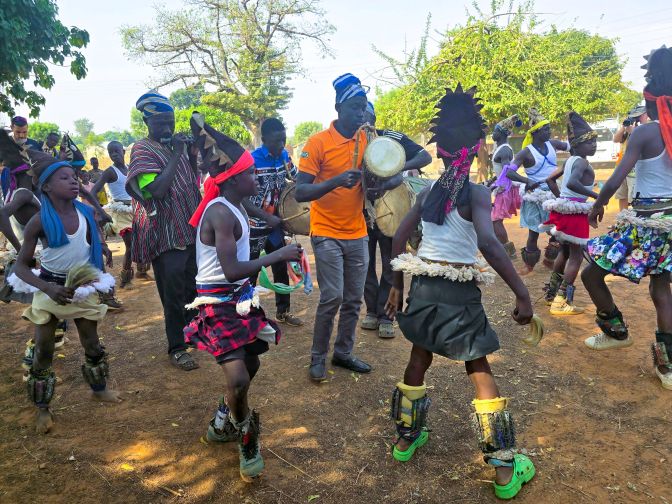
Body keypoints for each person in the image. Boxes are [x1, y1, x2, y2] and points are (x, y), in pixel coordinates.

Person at [384, 84, 535, 499]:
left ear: (442, 150)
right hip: (458, 291)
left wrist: (397, 283)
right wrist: (522, 293)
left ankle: (405, 438)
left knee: (419, 356)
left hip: (424, 287)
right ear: (477, 148)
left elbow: (398, 237)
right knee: (478, 366)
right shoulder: (475, 192)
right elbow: (487, 243)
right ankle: (504, 469)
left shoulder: (431, 190)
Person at [183, 113, 301, 481]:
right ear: (234, 179)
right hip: (217, 302)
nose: (256, 177)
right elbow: (233, 269)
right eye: (251, 173)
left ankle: (223, 420)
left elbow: (257, 213)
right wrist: (279, 255)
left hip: (240, 298)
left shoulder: (232, 202)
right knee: (237, 378)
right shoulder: (219, 212)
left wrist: (280, 221)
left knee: (250, 368)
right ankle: (246, 437)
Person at [11, 149, 121, 434]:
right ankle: (43, 409)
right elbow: (21, 268)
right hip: (49, 290)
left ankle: (99, 389)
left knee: (92, 344)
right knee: (44, 350)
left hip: (81, 289)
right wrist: (48, 287)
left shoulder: (84, 212)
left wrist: (103, 247)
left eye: (74, 177)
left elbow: (89, 242)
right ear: (46, 186)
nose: (74, 182)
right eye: (64, 178)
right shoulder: (40, 222)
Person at [581, 46, 672, 390]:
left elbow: (618, 176)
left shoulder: (645, 133)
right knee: (661, 290)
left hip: (647, 222)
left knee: (592, 274)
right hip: (670, 221)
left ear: (649, 104)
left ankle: (616, 332)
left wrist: (597, 205)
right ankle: (668, 369)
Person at [295, 73, 373, 381]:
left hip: (358, 233)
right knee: (333, 297)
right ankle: (318, 357)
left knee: (354, 299)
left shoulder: (367, 140)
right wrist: (337, 181)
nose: (360, 113)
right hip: (326, 231)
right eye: (355, 107)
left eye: (364, 107)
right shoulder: (317, 143)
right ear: (338, 107)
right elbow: (301, 192)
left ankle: (342, 353)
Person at [126, 91, 202, 371]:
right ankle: (177, 347)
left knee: (192, 287)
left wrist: (190, 155)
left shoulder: (176, 148)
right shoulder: (142, 149)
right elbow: (156, 190)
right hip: (165, 233)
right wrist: (178, 154)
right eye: (161, 123)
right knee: (172, 294)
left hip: (189, 229)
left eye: (170, 121)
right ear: (147, 122)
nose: (168, 128)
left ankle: (192, 333)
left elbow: (191, 181)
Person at [360, 101, 432, 338]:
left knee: (391, 261)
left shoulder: (389, 138)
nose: (363, 122)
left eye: (367, 116)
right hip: (360, 212)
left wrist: (398, 167)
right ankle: (371, 310)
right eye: (359, 116)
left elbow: (424, 157)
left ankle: (386, 316)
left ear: (375, 118)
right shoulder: (351, 145)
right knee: (365, 264)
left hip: (392, 206)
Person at [0, 130, 70, 369]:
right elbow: (2, 214)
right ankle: (34, 366)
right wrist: (21, 250)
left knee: (51, 315)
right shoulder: (23, 192)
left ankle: (37, 363)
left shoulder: (24, 193)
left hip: (44, 256)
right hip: (40, 259)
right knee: (46, 317)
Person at [244, 117, 303, 326]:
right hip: (254, 226)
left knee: (280, 266)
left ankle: (283, 312)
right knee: (250, 271)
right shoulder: (252, 160)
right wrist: (264, 216)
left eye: (283, 139)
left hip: (275, 225)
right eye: (277, 141)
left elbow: (297, 179)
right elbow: (242, 197)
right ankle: (246, 313)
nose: (281, 145)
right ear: (264, 138)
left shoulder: (284, 156)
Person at [540, 112, 598, 315]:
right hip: (575, 214)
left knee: (565, 253)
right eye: (589, 142)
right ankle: (561, 301)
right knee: (576, 257)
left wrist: (563, 198)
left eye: (595, 141)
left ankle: (551, 295)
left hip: (564, 212)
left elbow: (551, 180)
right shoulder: (581, 162)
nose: (594, 145)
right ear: (577, 145)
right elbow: (573, 183)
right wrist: (596, 196)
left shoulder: (570, 160)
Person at [503, 109, 570, 274]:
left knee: (556, 228)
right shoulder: (526, 152)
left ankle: (550, 259)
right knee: (534, 232)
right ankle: (529, 265)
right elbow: (509, 172)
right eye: (546, 129)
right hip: (535, 195)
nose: (549, 132)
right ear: (536, 132)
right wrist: (527, 181)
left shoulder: (553, 144)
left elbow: (572, 146)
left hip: (553, 193)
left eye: (549, 128)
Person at [90, 141, 136, 287]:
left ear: (123, 151)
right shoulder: (110, 172)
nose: (114, 154)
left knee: (140, 241)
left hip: (134, 209)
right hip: (120, 211)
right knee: (129, 244)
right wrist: (101, 211)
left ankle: (141, 269)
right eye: (111, 152)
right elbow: (93, 191)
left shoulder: (130, 168)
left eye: (117, 151)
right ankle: (125, 278)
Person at [489, 115, 522, 258]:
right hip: (502, 188)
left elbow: (508, 172)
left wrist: (525, 181)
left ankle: (509, 252)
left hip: (505, 190)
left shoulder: (504, 150)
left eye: (495, 131)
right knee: (494, 221)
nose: (492, 134)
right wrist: (491, 181)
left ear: (502, 133)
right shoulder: (501, 149)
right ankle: (503, 249)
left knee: (495, 221)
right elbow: (502, 172)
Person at [613, 105, 649, 211]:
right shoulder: (627, 129)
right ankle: (622, 221)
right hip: (622, 168)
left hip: (634, 171)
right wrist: (623, 127)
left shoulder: (645, 128)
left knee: (633, 198)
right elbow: (615, 139)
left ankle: (633, 221)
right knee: (622, 196)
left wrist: (633, 131)